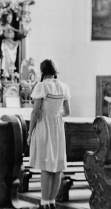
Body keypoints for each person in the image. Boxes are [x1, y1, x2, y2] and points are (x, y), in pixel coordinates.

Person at [27, 59, 71, 209]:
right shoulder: (64, 86)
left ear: (42, 71)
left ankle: (45, 203)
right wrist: (56, 116)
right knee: (57, 166)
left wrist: (30, 131)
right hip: (58, 127)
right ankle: (52, 202)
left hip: (44, 126)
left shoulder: (42, 86)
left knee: (46, 165)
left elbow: (36, 112)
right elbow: (68, 112)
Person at [0, 10, 26, 80]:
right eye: (9, 18)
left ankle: (10, 74)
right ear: (5, 18)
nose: (10, 19)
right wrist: (0, 32)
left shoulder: (10, 27)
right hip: (6, 45)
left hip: (13, 45)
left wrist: (22, 34)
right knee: (5, 59)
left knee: (12, 60)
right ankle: (5, 73)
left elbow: (17, 31)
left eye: (11, 18)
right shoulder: (3, 26)